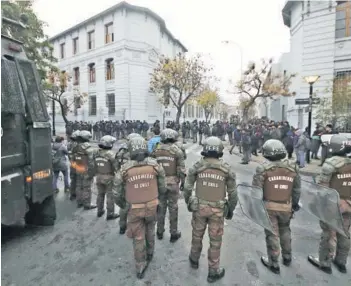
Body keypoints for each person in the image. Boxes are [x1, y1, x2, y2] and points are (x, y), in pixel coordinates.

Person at [183, 136, 237, 283]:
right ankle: (213, 271)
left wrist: (189, 202)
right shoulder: (226, 169)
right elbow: (233, 194)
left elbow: (187, 188)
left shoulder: (197, 166)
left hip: (199, 208)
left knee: (196, 235)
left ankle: (194, 260)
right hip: (217, 211)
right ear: (220, 151)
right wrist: (230, 210)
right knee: (215, 241)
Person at [113, 136, 166, 279]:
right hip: (152, 206)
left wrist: (123, 205)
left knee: (138, 236)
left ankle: (140, 266)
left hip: (134, 209)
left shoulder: (125, 169)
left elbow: (116, 192)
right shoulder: (155, 166)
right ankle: (150, 253)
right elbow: (163, 187)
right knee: (150, 229)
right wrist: (158, 200)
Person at [252, 139, 301, 274]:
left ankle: (274, 263)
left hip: (269, 207)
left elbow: (256, 191)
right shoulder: (293, 167)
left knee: (272, 234)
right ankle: (287, 257)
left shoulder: (263, 168)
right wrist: (295, 204)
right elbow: (296, 190)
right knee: (285, 230)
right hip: (286, 206)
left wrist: (256, 207)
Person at [307, 134, 351, 274]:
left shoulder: (331, 164)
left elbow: (323, 189)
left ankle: (325, 262)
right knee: (344, 233)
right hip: (349, 204)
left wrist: (316, 204)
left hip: (333, 204)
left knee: (328, 234)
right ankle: (341, 262)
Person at [151, 128, 186, 242]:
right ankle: (173, 233)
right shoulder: (177, 151)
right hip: (173, 183)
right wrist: (183, 182)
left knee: (160, 207)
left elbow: (152, 165)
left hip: (160, 183)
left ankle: (160, 231)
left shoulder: (156, 149)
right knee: (173, 208)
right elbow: (181, 169)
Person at [116, 132, 143, 234]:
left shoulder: (120, 152)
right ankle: (134, 227)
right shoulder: (133, 154)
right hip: (132, 181)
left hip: (122, 181)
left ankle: (122, 226)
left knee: (124, 206)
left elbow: (116, 167)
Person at [94, 135, 120, 220]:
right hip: (109, 177)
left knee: (100, 194)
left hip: (98, 176)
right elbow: (116, 167)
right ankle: (110, 213)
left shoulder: (97, 152)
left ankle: (99, 211)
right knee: (110, 195)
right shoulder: (111, 154)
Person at [73, 130, 96, 209]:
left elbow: (73, 158)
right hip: (86, 170)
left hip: (78, 168)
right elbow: (91, 162)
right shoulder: (88, 148)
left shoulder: (76, 147)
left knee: (79, 186)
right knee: (87, 187)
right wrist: (92, 172)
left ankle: (79, 202)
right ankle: (87, 204)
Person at [67, 130, 80, 200]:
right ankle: (77, 194)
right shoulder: (77, 145)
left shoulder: (69, 143)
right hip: (77, 163)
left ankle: (72, 194)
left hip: (72, 163)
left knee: (73, 179)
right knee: (78, 180)